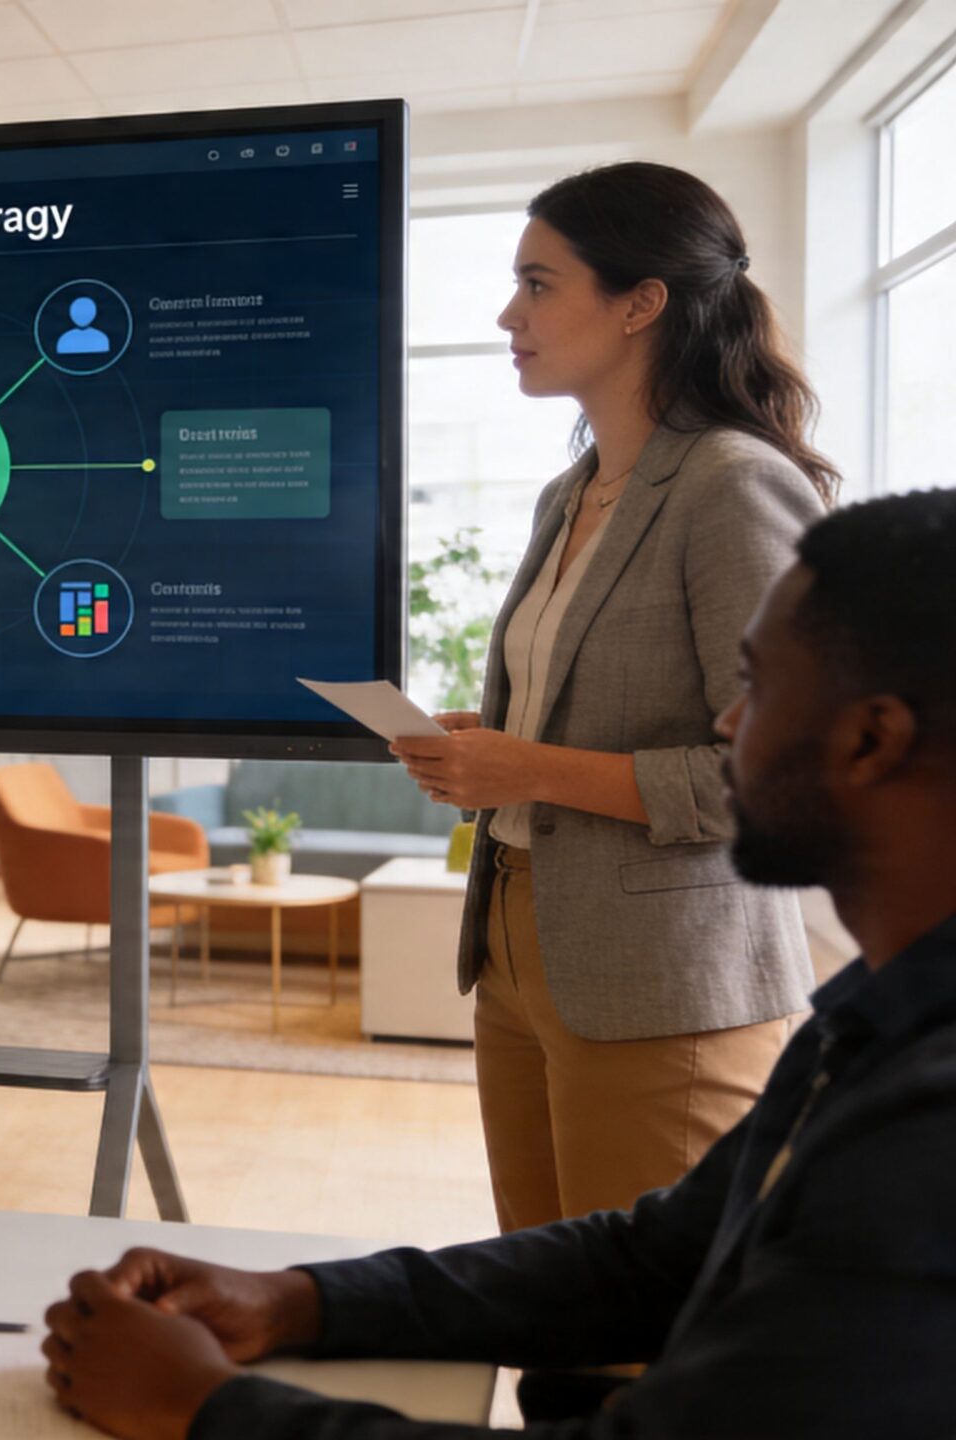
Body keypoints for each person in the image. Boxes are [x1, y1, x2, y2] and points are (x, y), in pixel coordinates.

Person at [43, 489, 956, 1440]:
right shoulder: (870, 1030)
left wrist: (206, 1409)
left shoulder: (928, 1133)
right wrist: (296, 1300)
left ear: (870, 739)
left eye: (756, 685)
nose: (726, 724)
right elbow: (653, 1257)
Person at [389, 162, 834, 1232]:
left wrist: (527, 767)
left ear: (641, 303)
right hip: (516, 937)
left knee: (639, 1339)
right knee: (540, 1302)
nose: (509, 313)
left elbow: (775, 777)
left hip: (662, 978)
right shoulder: (568, 491)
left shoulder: (731, 483)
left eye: (538, 284)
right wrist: (487, 754)